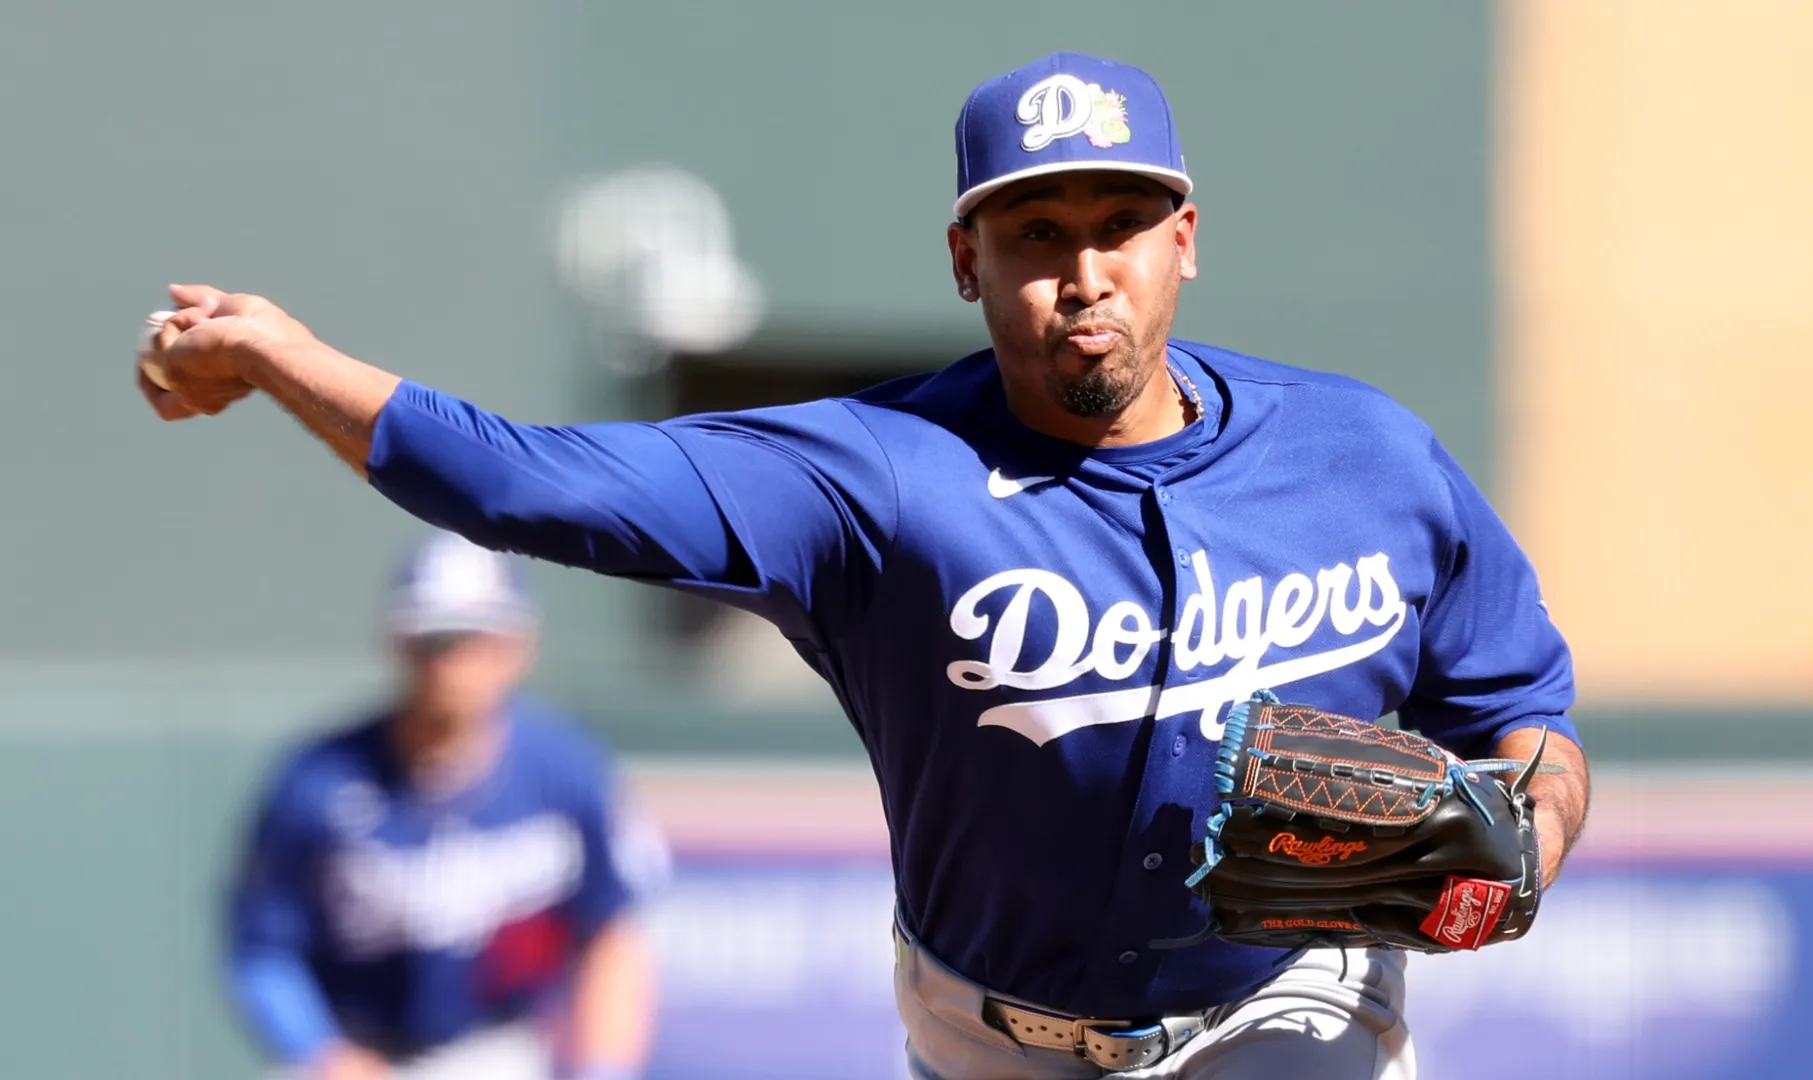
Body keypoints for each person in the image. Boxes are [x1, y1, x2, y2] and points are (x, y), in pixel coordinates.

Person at [145, 51, 1589, 1080]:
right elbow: (529, 484)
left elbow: (1525, 711)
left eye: (1120, 227)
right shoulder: (866, 475)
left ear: (1184, 242)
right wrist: (286, 358)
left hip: (1295, 1010)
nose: (1083, 272)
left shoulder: (1367, 458)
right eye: (1035, 232)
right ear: (966, 260)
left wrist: (1530, 831)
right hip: (993, 1038)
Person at [222, 531, 667, 1080]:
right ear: (397, 643)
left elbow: (613, 933)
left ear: (520, 645)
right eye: (434, 638)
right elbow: (263, 951)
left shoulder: (567, 770)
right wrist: (323, 1054)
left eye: (475, 637)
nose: (453, 660)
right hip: (355, 1049)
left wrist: (604, 1071)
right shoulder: (319, 779)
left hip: (494, 1051)